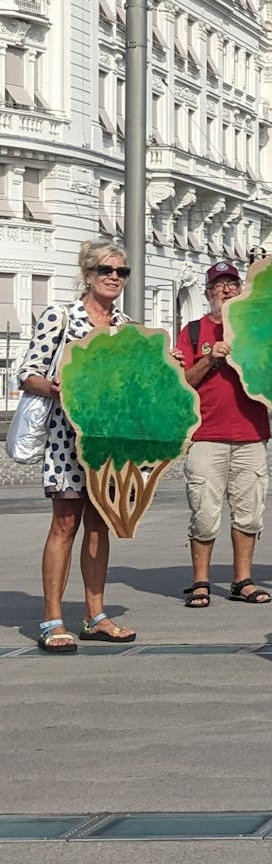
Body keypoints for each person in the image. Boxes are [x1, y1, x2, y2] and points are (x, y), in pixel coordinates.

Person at [17, 239, 137, 652]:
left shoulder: (126, 325)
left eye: (121, 272)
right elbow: (28, 373)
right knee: (65, 523)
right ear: (87, 274)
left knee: (100, 524)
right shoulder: (62, 315)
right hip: (67, 437)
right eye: (106, 270)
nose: (114, 278)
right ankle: (52, 618)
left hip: (108, 441)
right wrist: (55, 388)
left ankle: (95, 614)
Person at [175, 260, 272, 608]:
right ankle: (200, 581)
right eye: (219, 285)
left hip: (251, 433)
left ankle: (241, 580)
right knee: (204, 512)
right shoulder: (193, 332)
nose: (226, 290)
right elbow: (183, 382)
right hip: (206, 435)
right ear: (207, 293)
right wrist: (211, 359)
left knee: (249, 512)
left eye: (232, 284)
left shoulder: (257, 329)